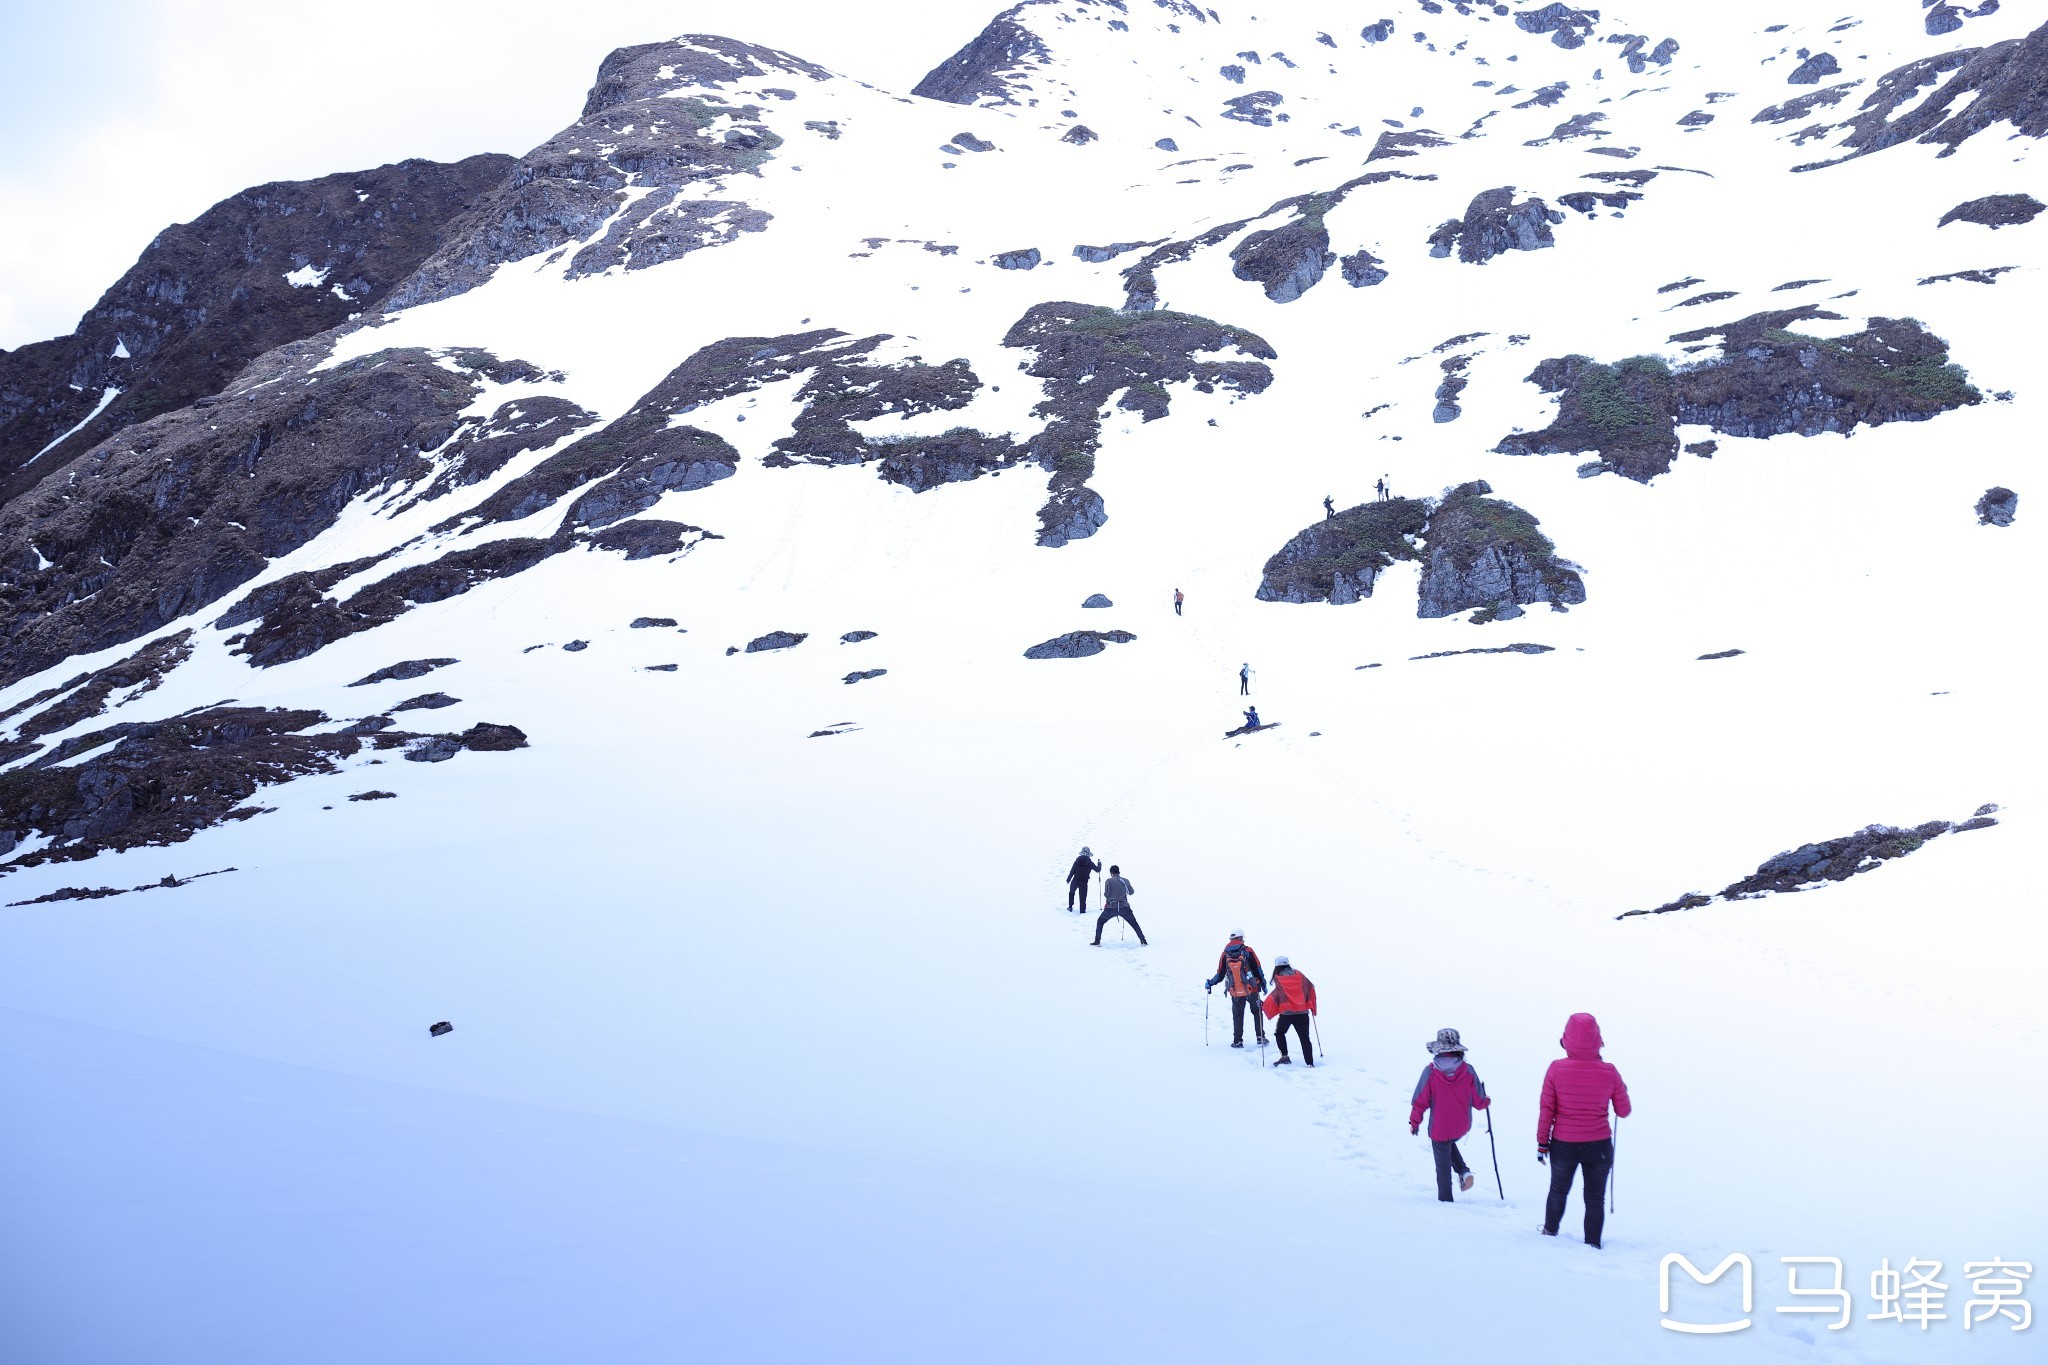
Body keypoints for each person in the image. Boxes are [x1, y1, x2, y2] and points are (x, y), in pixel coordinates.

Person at [1537, 1012, 1632, 1249]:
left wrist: (1542, 1143)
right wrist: (1621, 1089)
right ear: (1597, 1039)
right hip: (1599, 1145)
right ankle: (1593, 1243)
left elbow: (1547, 1109)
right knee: (1594, 1198)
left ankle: (1550, 1232)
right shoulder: (1610, 1071)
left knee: (1558, 1190)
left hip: (1563, 1144)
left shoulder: (1556, 1069)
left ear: (1566, 1039)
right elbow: (1623, 1111)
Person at [1409, 1028, 1491, 1201]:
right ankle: (1463, 1172)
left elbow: (1419, 1101)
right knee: (1446, 1144)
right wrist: (1486, 1100)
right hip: (1461, 1125)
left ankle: (1445, 1201)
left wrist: (1414, 1122)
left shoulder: (1430, 1072)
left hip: (1439, 1126)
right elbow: (1479, 1102)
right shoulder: (1468, 1070)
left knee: (1442, 1164)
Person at [1203, 930, 1267, 1047]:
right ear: (1241, 938)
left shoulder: (1225, 954)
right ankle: (1260, 1037)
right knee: (1256, 1011)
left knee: (1237, 1015)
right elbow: (1258, 969)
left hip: (1235, 990)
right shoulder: (1248, 951)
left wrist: (1210, 983)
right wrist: (1263, 984)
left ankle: (1238, 1041)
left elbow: (1220, 974)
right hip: (1252, 987)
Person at [1261, 956, 1317, 1065]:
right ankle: (1310, 1063)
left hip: (1287, 1014)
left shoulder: (1280, 979)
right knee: (1305, 1038)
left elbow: (1275, 996)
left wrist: (1263, 1004)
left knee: (1279, 1033)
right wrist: (1310, 1005)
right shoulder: (1300, 975)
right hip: (1303, 1013)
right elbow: (1310, 988)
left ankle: (1285, 1057)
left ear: (1277, 967)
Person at [1091, 865, 1146, 945]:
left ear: (1111, 873)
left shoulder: (1108, 881)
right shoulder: (1125, 880)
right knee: (1134, 923)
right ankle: (1143, 940)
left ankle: (1097, 941)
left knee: (1100, 921)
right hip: (1124, 907)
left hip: (1111, 908)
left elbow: (1106, 894)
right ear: (1118, 872)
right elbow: (1131, 892)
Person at [1065, 846, 1102, 913]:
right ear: (1088, 854)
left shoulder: (1076, 861)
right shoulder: (1090, 863)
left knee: (1071, 893)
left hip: (1075, 880)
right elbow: (1097, 870)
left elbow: (1072, 871)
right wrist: (1099, 864)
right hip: (1084, 882)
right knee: (1083, 897)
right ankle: (1082, 911)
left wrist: (1068, 879)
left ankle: (1070, 907)